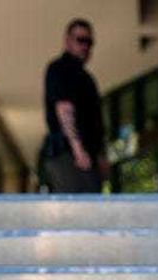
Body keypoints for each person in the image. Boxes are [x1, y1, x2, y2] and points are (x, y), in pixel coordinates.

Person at [43, 18, 108, 193]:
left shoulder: (87, 79)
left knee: (88, 213)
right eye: (80, 40)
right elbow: (64, 108)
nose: (85, 46)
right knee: (75, 213)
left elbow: (95, 122)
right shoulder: (60, 68)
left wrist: (100, 156)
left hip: (87, 158)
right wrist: (77, 149)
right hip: (69, 155)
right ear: (67, 41)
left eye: (89, 42)